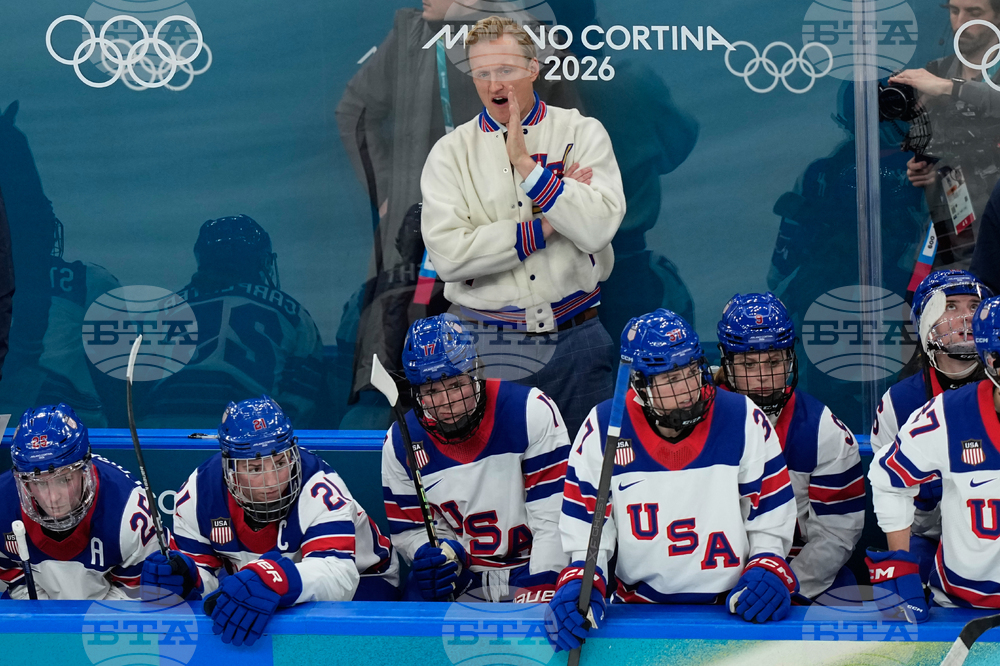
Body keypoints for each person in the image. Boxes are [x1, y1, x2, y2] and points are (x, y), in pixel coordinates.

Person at [419, 15, 626, 436]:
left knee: (589, 485)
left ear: (534, 68)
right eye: (483, 73)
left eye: (506, 70)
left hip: (576, 339)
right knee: (501, 486)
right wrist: (548, 223)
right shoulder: (449, 154)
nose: (495, 84)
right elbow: (450, 258)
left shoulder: (581, 132)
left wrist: (527, 168)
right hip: (486, 343)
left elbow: (597, 227)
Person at [548, 310, 797, 653]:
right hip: (636, 614)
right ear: (638, 385)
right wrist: (581, 579)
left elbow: (769, 515)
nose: (686, 391)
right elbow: (589, 528)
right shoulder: (605, 427)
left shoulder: (744, 418)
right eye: (669, 380)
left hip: (732, 609)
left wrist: (768, 563)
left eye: (691, 372)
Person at [140, 396, 398, 646]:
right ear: (229, 467)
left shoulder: (320, 487)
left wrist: (275, 578)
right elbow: (206, 581)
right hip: (271, 587)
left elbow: (339, 577)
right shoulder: (197, 494)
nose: (272, 481)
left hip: (367, 579)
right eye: (254, 468)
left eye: (280, 462)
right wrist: (189, 577)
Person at [381, 314, 569, 602]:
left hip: (531, 566)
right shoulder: (400, 441)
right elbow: (412, 530)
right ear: (416, 392)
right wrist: (437, 555)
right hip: (465, 573)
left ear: (476, 371)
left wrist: (542, 583)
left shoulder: (530, 411)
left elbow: (553, 519)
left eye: (456, 385)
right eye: (431, 391)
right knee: (416, 601)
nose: (447, 404)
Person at [716, 293, 864, 600]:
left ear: (790, 359)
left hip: (798, 576)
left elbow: (837, 534)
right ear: (727, 362)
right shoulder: (701, 425)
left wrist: (783, 585)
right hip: (714, 576)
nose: (763, 377)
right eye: (748, 364)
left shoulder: (823, 430)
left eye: (773, 361)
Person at [868, 294, 1000, 616]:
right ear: (991, 359)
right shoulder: (948, 415)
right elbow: (889, 478)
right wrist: (899, 563)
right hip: (961, 605)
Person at [141, 215, 324, 428]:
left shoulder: (162, 310)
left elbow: (134, 393)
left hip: (161, 435)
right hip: (247, 437)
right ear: (260, 260)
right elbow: (302, 398)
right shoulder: (293, 313)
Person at [0, 404, 158, 599]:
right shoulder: (3, 502)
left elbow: (134, 592)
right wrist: (45, 617)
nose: (53, 497)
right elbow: (13, 577)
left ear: (85, 469)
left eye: (64, 479)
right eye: (38, 483)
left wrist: (83, 625)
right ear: (23, 481)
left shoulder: (130, 509)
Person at [889, 0, 1000, 270]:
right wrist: (928, 171)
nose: (960, 22)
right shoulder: (935, 71)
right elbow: (936, 147)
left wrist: (950, 88)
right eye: (953, 11)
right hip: (950, 230)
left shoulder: (939, 81)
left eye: (973, 12)